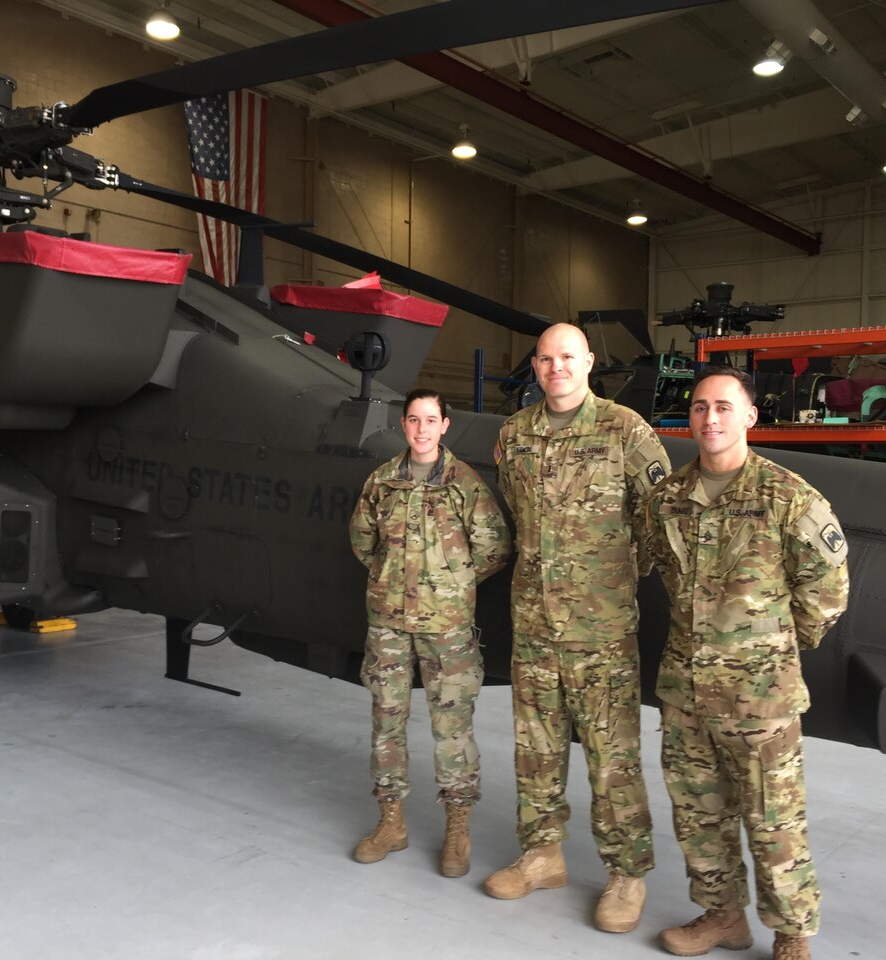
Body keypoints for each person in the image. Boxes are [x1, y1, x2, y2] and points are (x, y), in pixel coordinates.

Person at [640, 365, 850, 960]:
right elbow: (659, 568)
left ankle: (792, 934)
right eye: (701, 407)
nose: (711, 418)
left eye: (725, 407)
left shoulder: (787, 497)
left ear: (750, 416)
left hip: (760, 698)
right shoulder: (668, 499)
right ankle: (721, 916)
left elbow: (827, 590)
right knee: (698, 813)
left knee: (773, 818)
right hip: (686, 691)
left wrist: (772, 646)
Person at [484, 323, 669, 934]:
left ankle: (627, 874)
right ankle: (542, 855)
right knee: (534, 749)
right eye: (545, 358)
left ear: (589, 361)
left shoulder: (625, 430)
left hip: (602, 628)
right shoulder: (514, 435)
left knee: (612, 757)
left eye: (568, 356)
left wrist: (611, 579)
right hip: (534, 624)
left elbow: (658, 520)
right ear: (534, 366)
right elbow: (516, 514)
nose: (556, 367)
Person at [347, 388, 511, 878]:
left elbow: (494, 548)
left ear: (445, 426)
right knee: (386, 725)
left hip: (447, 629)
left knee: (452, 731)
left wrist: (450, 583)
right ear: (404, 425)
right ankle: (391, 821)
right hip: (389, 627)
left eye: (431, 420)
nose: (422, 429)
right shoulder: (382, 481)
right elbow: (362, 540)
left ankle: (457, 830)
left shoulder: (465, 484)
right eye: (413, 420)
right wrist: (391, 579)